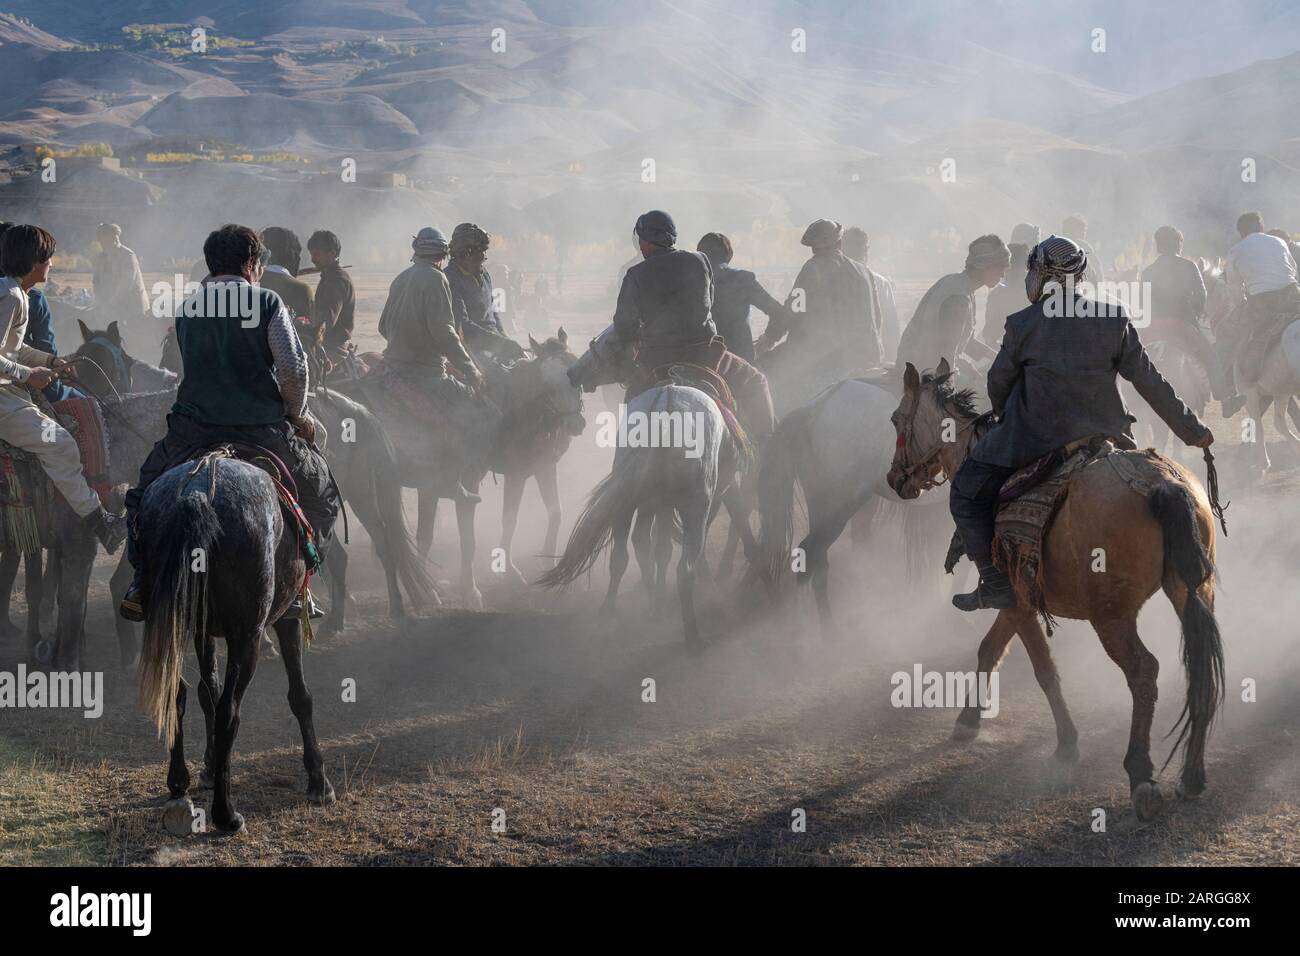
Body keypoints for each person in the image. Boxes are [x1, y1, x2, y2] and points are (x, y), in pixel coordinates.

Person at [948, 235, 1213, 611]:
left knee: (965, 491)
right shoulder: (1114, 319)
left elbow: (998, 384)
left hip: (1034, 440)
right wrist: (1193, 430)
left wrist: (1006, 414)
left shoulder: (1023, 324)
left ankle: (995, 584)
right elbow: (1150, 382)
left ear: (1043, 276)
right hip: (1106, 437)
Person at [120, 224, 339, 621]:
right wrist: (298, 416)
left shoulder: (188, 307)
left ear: (210, 264)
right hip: (260, 430)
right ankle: (299, 587)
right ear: (253, 264)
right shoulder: (267, 302)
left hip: (193, 429)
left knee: (143, 492)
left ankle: (142, 579)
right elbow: (292, 371)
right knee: (319, 494)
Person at [0, 225, 126, 553]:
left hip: (9, 390)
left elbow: (11, 350)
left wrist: (52, 361)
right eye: (49, 259)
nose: (53, 265)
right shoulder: (11, 297)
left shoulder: (16, 294)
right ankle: (100, 523)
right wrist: (29, 375)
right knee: (59, 444)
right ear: (34, 263)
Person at [375, 227, 487, 504]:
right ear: (442, 254)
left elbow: (382, 327)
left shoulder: (401, 278)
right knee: (476, 413)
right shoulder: (437, 279)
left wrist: (404, 343)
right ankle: (452, 480)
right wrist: (471, 369)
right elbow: (444, 332)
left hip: (391, 367)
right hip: (426, 374)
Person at [756, 218, 882, 393]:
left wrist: (769, 338)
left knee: (764, 370)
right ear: (839, 242)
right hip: (866, 354)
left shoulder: (812, 268)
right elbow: (877, 318)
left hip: (823, 356)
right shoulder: (864, 271)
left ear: (813, 247)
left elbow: (793, 309)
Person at [1139, 225, 1230, 401]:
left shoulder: (1148, 271)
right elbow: (1201, 295)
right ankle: (1225, 398)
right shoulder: (1189, 266)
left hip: (1154, 324)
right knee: (1210, 356)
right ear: (1177, 244)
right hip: (1181, 324)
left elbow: (1143, 301)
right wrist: (1194, 313)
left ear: (1158, 245)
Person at [896, 234, 1009, 374]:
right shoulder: (958, 298)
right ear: (983, 264)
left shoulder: (962, 287)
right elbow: (946, 353)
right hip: (921, 375)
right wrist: (955, 378)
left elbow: (966, 342)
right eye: (1000, 266)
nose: (1003, 273)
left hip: (926, 367)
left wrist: (1001, 358)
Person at [696, 232, 786, 364]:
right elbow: (779, 313)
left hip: (702, 362)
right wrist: (769, 338)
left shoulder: (690, 282)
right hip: (740, 362)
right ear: (728, 254)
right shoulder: (743, 279)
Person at [842, 226, 900, 362]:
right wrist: (892, 358)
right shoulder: (881, 283)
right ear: (866, 251)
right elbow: (891, 326)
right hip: (870, 355)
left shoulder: (831, 280)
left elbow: (891, 326)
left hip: (845, 357)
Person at [307, 230, 355, 367]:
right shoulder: (329, 276)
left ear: (332, 254)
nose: (312, 259)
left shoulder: (336, 280)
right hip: (325, 343)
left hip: (332, 349)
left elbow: (326, 320)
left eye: (317, 255)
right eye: (311, 254)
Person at [92, 222, 150, 326]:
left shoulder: (127, 256)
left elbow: (126, 285)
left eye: (103, 239)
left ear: (113, 238)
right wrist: (99, 300)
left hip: (132, 309)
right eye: (100, 240)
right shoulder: (101, 257)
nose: (101, 243)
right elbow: (97, 281)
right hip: (111, 308)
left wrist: (110, 303)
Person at [259, 226, 314, 323]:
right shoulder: (302, 290)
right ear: (292, 256)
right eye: (297, 253)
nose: (299, 259)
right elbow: (309, 335)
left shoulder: (247, 282)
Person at [1061, 214, 1104, 286]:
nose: (1084, 233)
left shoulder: (1057, 243)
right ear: (1071, 229)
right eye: (1081, 230)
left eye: (1085, 230)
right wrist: (1100, 285)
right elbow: (1097, 267)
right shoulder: (1083, 246)